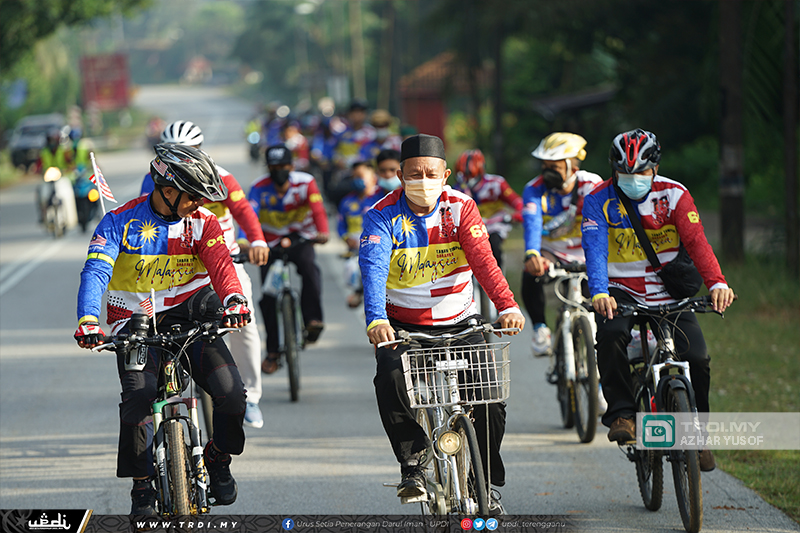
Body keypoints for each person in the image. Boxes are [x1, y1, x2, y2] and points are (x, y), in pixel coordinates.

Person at [74, 144, 252, 514]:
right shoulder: (118, 222)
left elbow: (221, 267)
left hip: (192, 313)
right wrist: (88, 319)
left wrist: (234, 300)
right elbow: (96, 273)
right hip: (134, 318)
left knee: (232, 395)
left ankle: (218, 457)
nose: (199, 204)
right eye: (193, 197)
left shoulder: (204, 222)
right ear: (167, 190)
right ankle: (141, 487)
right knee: (138, 400)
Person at [360, 134, 525, 512]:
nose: (423, 180)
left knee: (490, 398)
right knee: (388, 377)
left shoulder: (461, 208)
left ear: (445, 174)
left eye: (431, 173)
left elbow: (484, 262)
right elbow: (373, 269)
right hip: (403, 327)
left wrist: (507, 306)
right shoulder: (381, 215)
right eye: (414, 173)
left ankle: (480, 476)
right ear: (400, 175)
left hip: (461, 320)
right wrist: (376, 320)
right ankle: (413, 464)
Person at [581, 129, 735, 471]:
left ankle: (698, 434)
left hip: (670, 292)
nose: (633, 180)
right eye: (624, 173)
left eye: (641, 173)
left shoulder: (675, 195)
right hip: (620, 290)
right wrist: (600, 292)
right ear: (612, 170)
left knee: (698, 357)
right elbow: (594, 250)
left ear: (655, 168)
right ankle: (622, 413)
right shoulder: (597, 199)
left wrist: (717, 283)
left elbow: (697, 243)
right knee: (609, 335)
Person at [141, 120, 270, 429]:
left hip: (221, 258)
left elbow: (244, 213)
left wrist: (257, 241)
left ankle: (250, 395)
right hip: (177, 265)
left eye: (190, 151)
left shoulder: (223, 178)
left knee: (245, 321)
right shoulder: (153, 181)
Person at [248, 144, 330, 374]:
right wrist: (247, 241)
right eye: (274, 167)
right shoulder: (259, 187)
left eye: (283, 166)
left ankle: (313, 320)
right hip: (269, 243)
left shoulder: (305, 183)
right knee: (267, 297)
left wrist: (322, 232)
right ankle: (272, 351)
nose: (279, 171)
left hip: (300, 238)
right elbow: (249, 216)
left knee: (310, 270)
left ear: (291, 166)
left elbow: (317, 209)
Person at [521, 133, 603, 357]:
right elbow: (532, 221)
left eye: (554, 167)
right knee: (530, 273)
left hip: (588, 253)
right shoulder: (534, 188)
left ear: (572, 167)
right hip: (553, 252)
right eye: (544, 165)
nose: (547, 171)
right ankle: (540, 329)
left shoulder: (592, 184)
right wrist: (532, 253)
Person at [452, 149, 523, 271]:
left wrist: (515, 216)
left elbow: (518, 203)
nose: (466, 180)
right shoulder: (457, 189)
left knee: (494, 246)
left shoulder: (496, 183)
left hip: (495, 224)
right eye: (463, 175)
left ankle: (498, 277)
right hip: (471, 227)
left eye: (470, 176)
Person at [337, 161, 387, 308]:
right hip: (355, 251)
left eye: (360, 176)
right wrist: (346, 239)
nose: (357, 180)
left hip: (378, 248)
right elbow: (340, 226)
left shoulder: (381, 199)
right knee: (351, 269)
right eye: (354, 177)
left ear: (373, 177)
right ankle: (359, 292)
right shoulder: (346, 202)